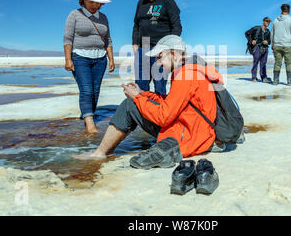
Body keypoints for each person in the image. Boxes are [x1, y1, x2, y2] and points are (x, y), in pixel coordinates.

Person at [79, 35, 223, 170]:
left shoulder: (185, 75)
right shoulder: (192, 70)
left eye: (160, 57)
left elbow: (164, 116)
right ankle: (102, 151)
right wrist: (143, 94)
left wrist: (136, 98)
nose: (158, 63)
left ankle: (99, 153)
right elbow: (172, 102)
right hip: (199, 132)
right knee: (137, 101)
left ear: (173, 54)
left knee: (130, 105)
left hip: (189, 139)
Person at [63, 0, 115, 134]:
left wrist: (111, 59)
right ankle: (90, 124)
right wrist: (68, 59)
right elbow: (68, 38)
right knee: (86, 90)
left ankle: (87, 115)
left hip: (100, 58)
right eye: (91, 1)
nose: (94, 5)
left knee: (95, 90)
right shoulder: (74, 14)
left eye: (97, 2)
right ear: (83, 0)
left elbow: (108, 40)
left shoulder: (103, 18)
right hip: (80, 57)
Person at [132, 0, 182, 96]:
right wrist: (135, 43)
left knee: (159, 84)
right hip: (143, 47)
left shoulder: (168, 2)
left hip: (161, 48)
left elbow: (177, 26)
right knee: (141, 84)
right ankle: (142, 113)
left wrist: (169, 48)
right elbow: (136, 25)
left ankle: (159, 112)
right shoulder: (141, 3)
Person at [271, 4, 291, 85]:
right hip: (288, 45)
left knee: (277, 63)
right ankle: (290, 81)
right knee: (289, 63)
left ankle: (276, 80)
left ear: (281, 10)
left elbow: (272, 33)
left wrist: (273, 44)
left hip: (277, 45)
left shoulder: (275, 20)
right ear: (289, 10)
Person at [245, 17, 272, 83]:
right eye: (266, 21)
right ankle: (254, 77)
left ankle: (264, 77)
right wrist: (251, 41)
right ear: (263, 21)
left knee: (263, 63)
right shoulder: (257, 28)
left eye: (269, 22)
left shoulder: (268, 31)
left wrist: (267, 42)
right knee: (256, 62)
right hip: (257, 47)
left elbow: (270, 41)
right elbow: (247, 33)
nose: (268, 23)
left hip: (265, 48)